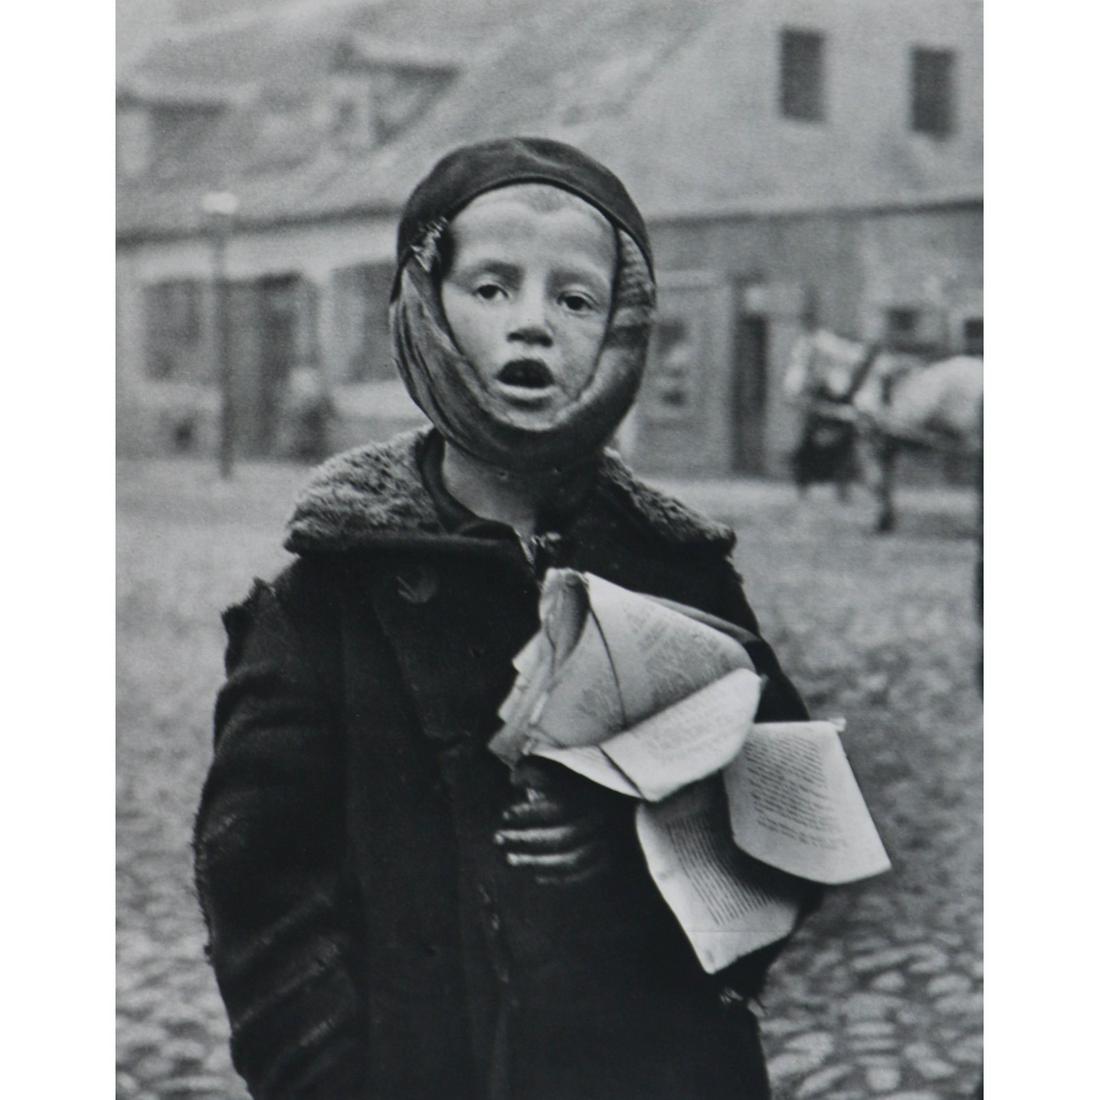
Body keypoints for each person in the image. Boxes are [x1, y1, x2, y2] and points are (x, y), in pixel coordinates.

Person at [194, 136, 821, 1100]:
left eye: (574, 299)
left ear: (623, 327)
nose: (533, 325)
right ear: (425, 305)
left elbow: (791, 830)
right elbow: (262, 898)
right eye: (492, 289)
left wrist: (632, 846)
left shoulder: (680, 569)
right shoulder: (331, 592)